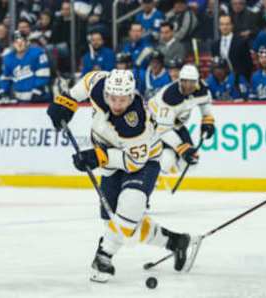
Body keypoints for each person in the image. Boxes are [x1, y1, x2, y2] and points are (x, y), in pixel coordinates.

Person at [46, 69, 198, 283]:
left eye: (123, 99)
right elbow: (89, 80)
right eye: (113, 98)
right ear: (106, 93)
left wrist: (97, 157)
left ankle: (103, 256)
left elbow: (133, 162)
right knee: (116, 225)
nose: (117, 104)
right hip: (109, 161)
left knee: (131, 204)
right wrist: (66, 101)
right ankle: (175, 241)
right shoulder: (100, 86)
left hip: (143, 162)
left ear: (131, 95)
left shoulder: (135, 123)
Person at [148, 64, 215, 175]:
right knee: (167, 160)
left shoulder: (202, 89)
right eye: (185, 81)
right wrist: (181, 147)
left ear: (197, 81)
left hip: (176, 125)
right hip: (154, 126)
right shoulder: (169, 96)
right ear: (180, 80)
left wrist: (207, 121)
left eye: (192, 82)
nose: (188, 86)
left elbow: (205, 105)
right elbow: (163, 130)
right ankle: (154, 180)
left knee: (191, 160)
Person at [0, 31, 51, 103]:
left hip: (40, 97)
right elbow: (6, 78)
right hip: (19, 99)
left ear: (27, 42)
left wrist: (38, 90)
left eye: (22, 40)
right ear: (12, 44)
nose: (19, 43)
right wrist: (3, 91)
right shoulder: (8, 58)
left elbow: (43, 74)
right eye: (16, 41)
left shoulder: (38, 53)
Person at [211, 14, 253, 81]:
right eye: (222, 24)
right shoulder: (215, 45)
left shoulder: (241, 43)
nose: (224, 27)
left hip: (238, 81)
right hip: (220, 81)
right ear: (219, 26)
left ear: (232, 25)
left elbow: (248, 65)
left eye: (227, 24)